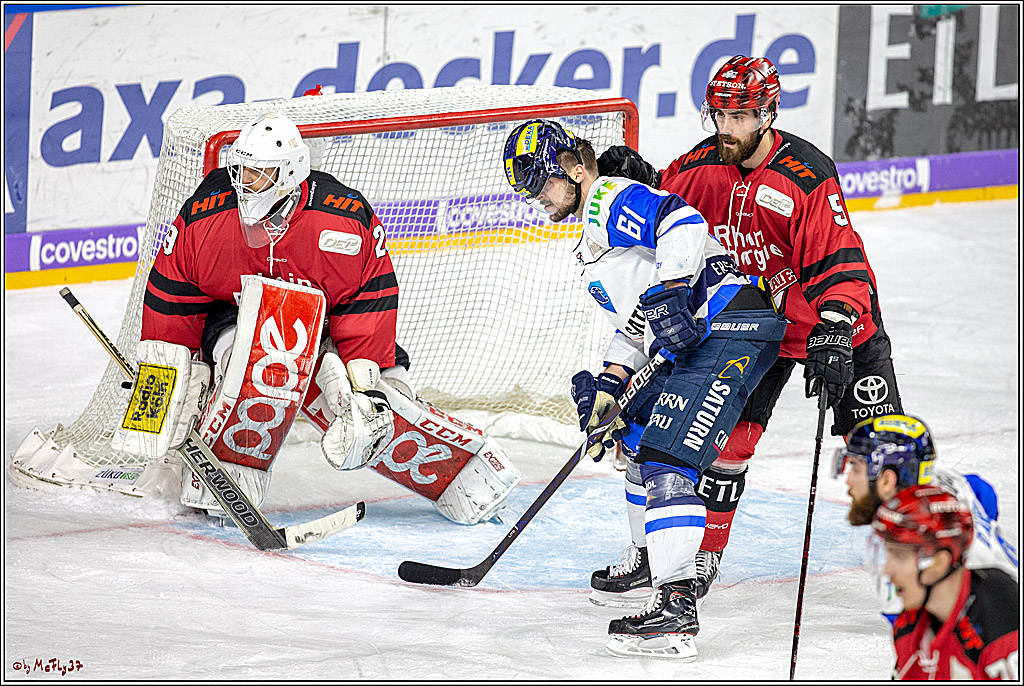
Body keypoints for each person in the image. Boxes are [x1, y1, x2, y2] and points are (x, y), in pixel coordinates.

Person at [596, 55, 903, 600]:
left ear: (768, 114)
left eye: (739, 117)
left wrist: (835, 326)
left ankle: (922, 557)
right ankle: (702, 557)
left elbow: (841, 259)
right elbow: (663, 202)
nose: (726, 128)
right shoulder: (700, 166)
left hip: (835, 325)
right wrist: (637, 178)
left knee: (882, 451)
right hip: (754, 326)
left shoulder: (806, 175)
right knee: (725, 439)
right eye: (719, 115)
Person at [129, 111, 519, 526]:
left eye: (257, 173)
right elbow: (171, 302)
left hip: (328, 321)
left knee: (372, 394)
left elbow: (371, 296)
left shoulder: (342, 220)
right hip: (235, 318)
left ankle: (427, 442)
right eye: (239, 169)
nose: (243, 182)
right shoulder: (204, 217)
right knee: (244, 359)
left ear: (288, 173)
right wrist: (165, 388)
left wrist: (369, 381)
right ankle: (214, 466)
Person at [502, 119, 786, 660]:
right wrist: (610, 385)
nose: (534, 197)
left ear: (573, 168)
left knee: (665, 458)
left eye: (539, 183)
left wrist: (673, 286)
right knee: (633, 439)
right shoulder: (591, 238)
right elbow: (638, 322)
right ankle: (651, 559)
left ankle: (676, 608)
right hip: (697, 335)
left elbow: (681, 220)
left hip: (729, 325)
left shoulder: (607, 197)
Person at [832, 413, 1018, 621]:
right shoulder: (944, 482)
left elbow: (907, 626)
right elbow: (982, 491)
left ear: (887, 481)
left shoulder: (911, 537)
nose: (848, 480)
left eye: (856, 468)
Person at [871, 484, 1019, 679]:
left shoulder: (1003, 624)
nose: (887, 570)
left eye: (899, 556)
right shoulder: (910, 627)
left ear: (940, 562)